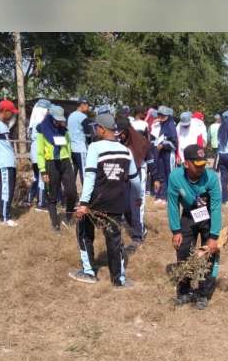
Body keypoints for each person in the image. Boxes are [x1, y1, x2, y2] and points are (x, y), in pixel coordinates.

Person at [70, 113, 141, 287]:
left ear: (101, 129)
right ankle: (119, 280)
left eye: (96, 127)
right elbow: (135, 179)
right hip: (117, 202)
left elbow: (90, 176)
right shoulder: (126, 151)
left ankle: (89, 272)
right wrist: (137, 197)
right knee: (115, 239)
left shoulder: (94, 147)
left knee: (84, 232)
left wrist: (84, 203)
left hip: (96, 203)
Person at [168, 144, 223, 310]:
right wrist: (176, 231)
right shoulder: (175, 177)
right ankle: (184, 291)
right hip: (188, 215)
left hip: (207, 218)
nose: (202, 168)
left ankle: (202, 294)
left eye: (203, 164)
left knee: (208, 255)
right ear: (186, 164)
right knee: (183, 252)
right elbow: (172, 204)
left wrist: (214, 236)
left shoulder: (211, 178)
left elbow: (216, 207)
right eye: (197, 165)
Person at [37, 105, 77, 232]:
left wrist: (70, 161)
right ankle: (55, 224)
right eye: (56, 119)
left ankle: (69, 216)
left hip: (65, 163)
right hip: (51, 164)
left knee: (72, 192)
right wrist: (43, 171)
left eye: (60, 120)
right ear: (50, 117)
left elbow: (68, 147)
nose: (59, 122)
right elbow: (39, 153)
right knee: (52, 196)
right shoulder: (42, 131)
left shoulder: (64, 131)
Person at [117, 115, 151, 249]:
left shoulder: (141, 141)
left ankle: (138, 236)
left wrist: (157, 178)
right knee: (126, 207)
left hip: (138, 175)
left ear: (127, 131)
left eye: (121, 134)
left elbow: (149, 159)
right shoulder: (119, 142)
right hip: (125, 176)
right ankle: (140, 229)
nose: (119, 137)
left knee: (135, 205)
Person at [0, 99, 20, 227]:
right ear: (5, 111)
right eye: (11, 112)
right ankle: (4, 218)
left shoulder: (4, 125)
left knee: (9, 189)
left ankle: (5, 214)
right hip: (4, 163)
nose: (12, 115)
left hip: (9, 162)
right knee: (5, 189)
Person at [27, 99, 51, 211]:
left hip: (33, 152)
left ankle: (29, 199)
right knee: (42, 178)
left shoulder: (33, 122)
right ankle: (41, 203)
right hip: (40, 152)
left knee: (36, 177)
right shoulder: (42, 123)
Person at [151, 106, 177, 205]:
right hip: (160, 154)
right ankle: (160, 196)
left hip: (169, 154)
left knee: (169, 175)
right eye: (159, 115)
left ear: (167, 116)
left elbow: (174, 144)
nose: (160, 117)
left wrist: (163, 145)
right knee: (161, 174)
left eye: (162, 115)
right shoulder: (161, 125)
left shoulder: (171, 125)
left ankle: (169, 196)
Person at [67, 97, 93, 184]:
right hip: (81, 148)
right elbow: (88, 134)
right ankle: (86, 196)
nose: (88, 108)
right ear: (82, 105)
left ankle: (70, 193)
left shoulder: (71, 115)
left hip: (72, 149)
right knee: (84, 173)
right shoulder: (83, 117)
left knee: (74, 172)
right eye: (88, 106)